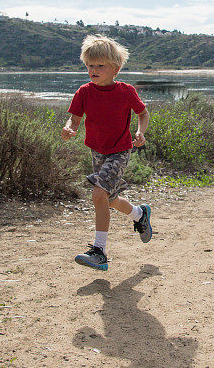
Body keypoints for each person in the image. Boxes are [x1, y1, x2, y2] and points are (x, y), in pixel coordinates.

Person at [62, 34, 152, 271]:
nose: (94, 69)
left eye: (100, 65)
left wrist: (140, 132)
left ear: (116, 68)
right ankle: (139, 214)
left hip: (119, 151)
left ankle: (99, 251)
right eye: (90, 65)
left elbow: (143, 113)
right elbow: (75, 119)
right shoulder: (84, 92)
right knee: (109, 199)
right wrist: (69, 128)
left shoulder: (125, 91)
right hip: (97, 152)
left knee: (98, 196)